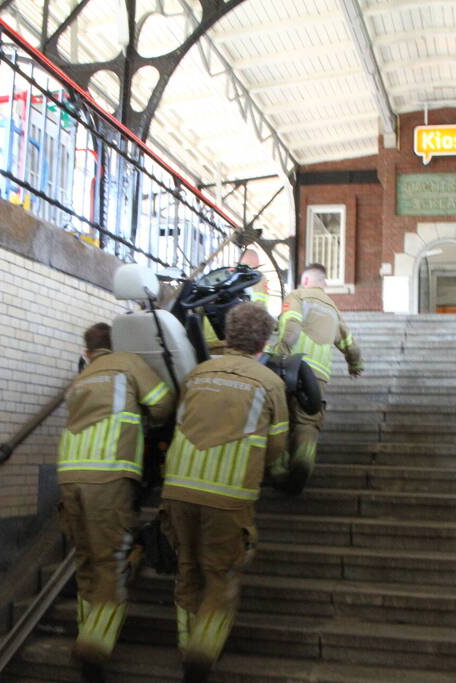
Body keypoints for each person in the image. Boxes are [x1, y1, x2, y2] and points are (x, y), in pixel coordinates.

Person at [161, 303, 289, 682]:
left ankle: (187, 647)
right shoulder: (270, 382)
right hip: (227, 495)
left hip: (178, 489)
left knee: (186, 571)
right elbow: (278, 449)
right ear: (265, 342)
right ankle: (201, 655)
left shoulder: (197, 374)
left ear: (228, 336)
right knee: (220, 575)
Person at [57, 322, 176, 680]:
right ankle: (93, 648)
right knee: (111, 560)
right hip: (107, 476)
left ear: (87, 352)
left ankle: (88, 632)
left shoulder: (81, 378)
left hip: (69, 477)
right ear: (116, 344)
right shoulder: (128, 364)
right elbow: (162, 405)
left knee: (86, 562)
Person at [268, 262, 363, 495]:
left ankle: (278, 471)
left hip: (289, 367)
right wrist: (355, 364)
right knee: (308, 422)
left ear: (306, 280)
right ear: (324, 283)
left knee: (280, 417)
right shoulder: (334, 309)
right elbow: (350, 344)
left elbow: (290, 331)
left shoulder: (297, 296)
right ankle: (304, 462)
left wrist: (276, 357)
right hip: (317, 377)